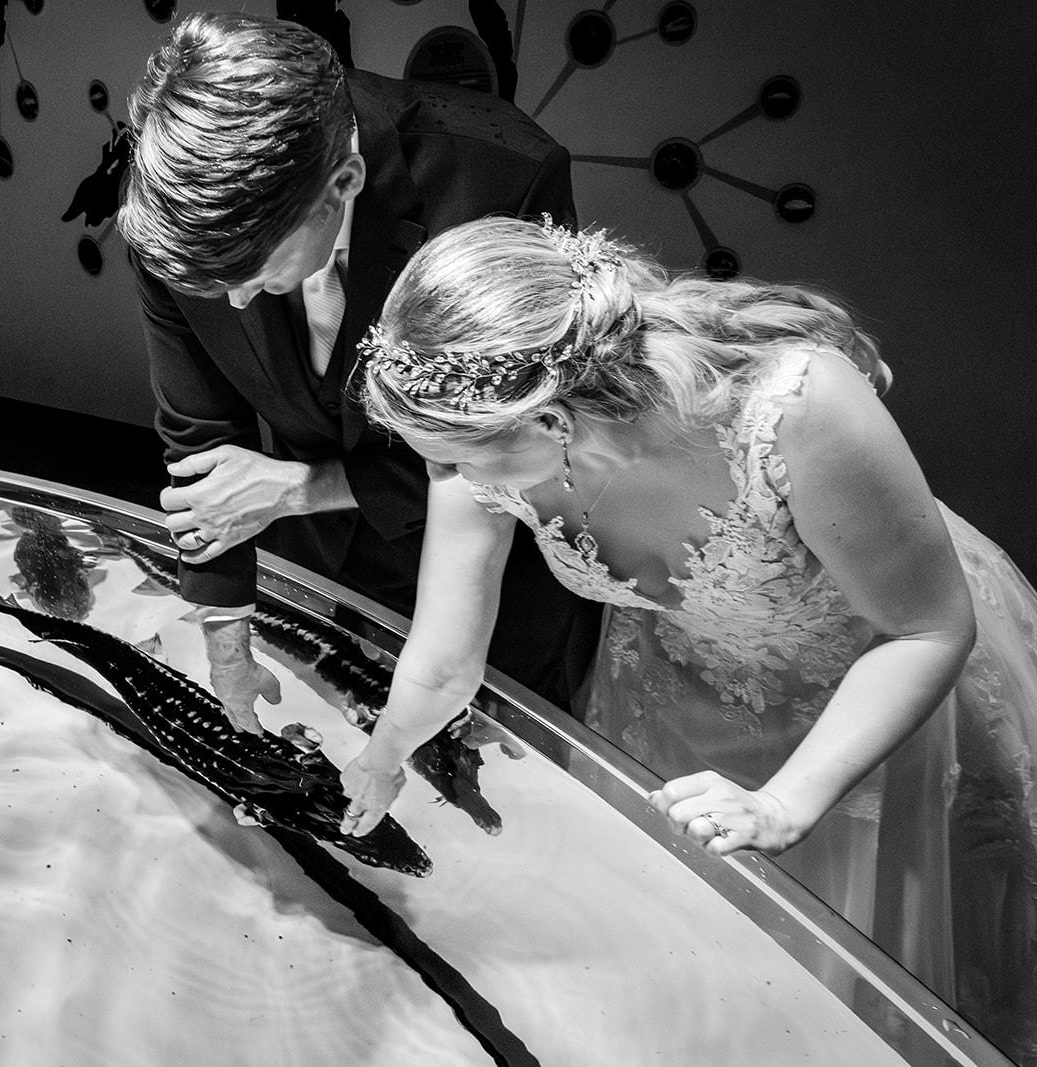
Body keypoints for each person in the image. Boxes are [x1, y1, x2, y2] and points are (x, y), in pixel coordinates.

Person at [336, 213, 1037, 1059]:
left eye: (458, 458)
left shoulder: (795, 406)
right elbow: (446, 655)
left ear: (552, 423)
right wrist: (382, 755)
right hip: (674, 693)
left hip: (869, 688)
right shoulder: (479, 453)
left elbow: (927, 628)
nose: (446, 477)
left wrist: (782, 802)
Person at [115, 11, 602, 731]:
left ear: (344, 181)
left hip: (491, 582)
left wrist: (298, 489)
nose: (236, 302)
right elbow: (202, 442)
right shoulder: (180, 217)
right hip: (314, 564)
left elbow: (517, 443)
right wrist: (226, 640)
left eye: (254, 275)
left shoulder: (503, 177)